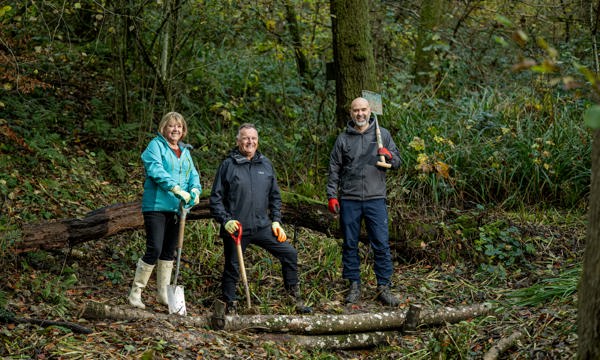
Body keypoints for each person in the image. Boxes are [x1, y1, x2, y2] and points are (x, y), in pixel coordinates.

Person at [209, 123, 312, 314]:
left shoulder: (265, 164)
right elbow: (215, 199)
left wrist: (276, 221)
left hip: (262, 226)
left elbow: (275, 196)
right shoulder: (228, 165)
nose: (250, 142)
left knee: (289, 253)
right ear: (238, 141)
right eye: (246, 138)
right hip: (236, 227)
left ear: (258, 141)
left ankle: (294, 298)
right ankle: (229, 304)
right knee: (232, 266)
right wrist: (226, 220)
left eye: (253, 138)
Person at [326, 97, 402, 306]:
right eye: (356, 110)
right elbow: (334, 169)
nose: (360, 114)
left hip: (375, 198)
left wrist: (389, 156)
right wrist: (332, 195)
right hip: (349, 199)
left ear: (370, 111)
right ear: (350, 113)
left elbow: (398, 161)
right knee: (350, 244)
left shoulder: (382, 134)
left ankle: (383, 286)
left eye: (363, 110)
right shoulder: (343, 139)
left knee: (381, 244)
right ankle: (353, 285)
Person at [128, 111, 202, 309]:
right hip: (156, 206)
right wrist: (176, 188)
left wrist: (195, 190)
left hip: (177, 210)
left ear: (183, 130)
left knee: (169, 251)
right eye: (171, 126)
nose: (175, 129)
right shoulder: (155, 146)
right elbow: (156, 170)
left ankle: (163, 294)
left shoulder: (185, 152)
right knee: (155, 248)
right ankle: (136, 292)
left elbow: (193, 175)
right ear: (164, 128)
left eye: (179, 126)